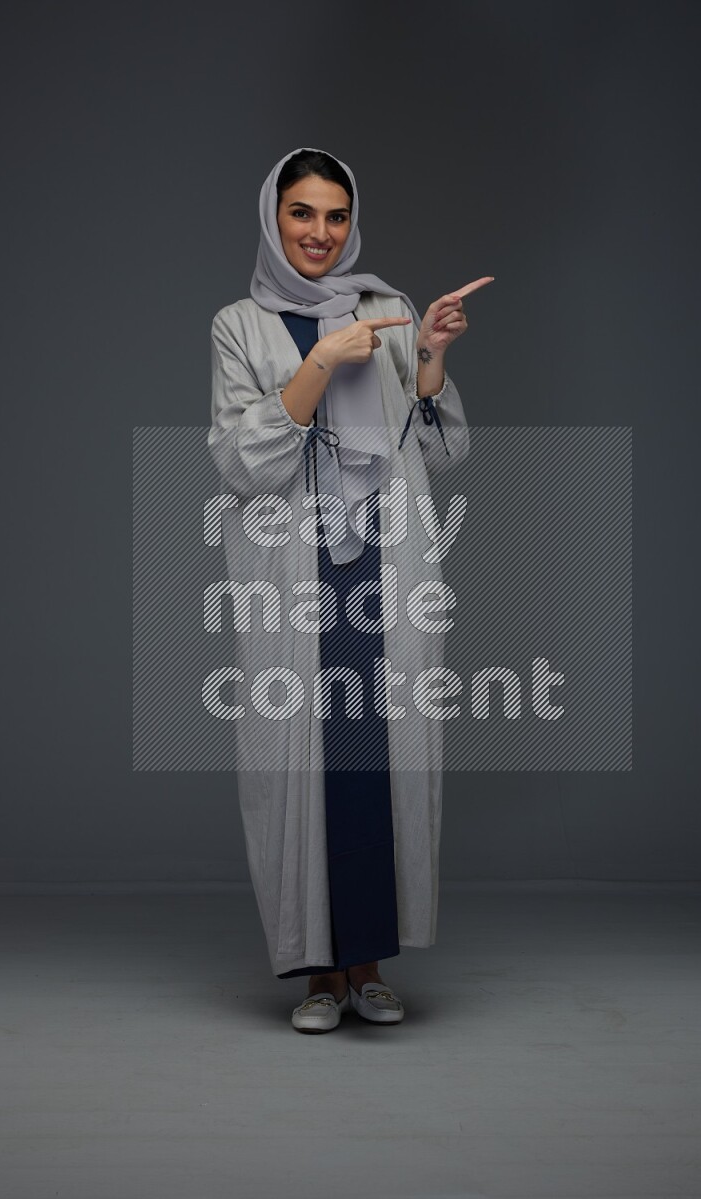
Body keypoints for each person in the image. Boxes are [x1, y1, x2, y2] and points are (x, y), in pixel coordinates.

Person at [208, 146, 480, 1032]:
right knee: (299, 764)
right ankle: (318, 975)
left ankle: (368, 964)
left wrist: (429, 355)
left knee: (379, 762)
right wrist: (322, 359)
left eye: (334, 215)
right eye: (301, 213)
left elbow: (438, 448)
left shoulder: (387, 309)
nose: (319, 233)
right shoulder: (239, 326)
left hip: (383, 568)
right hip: (295, 577)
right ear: (272, 217)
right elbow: (242, 463)